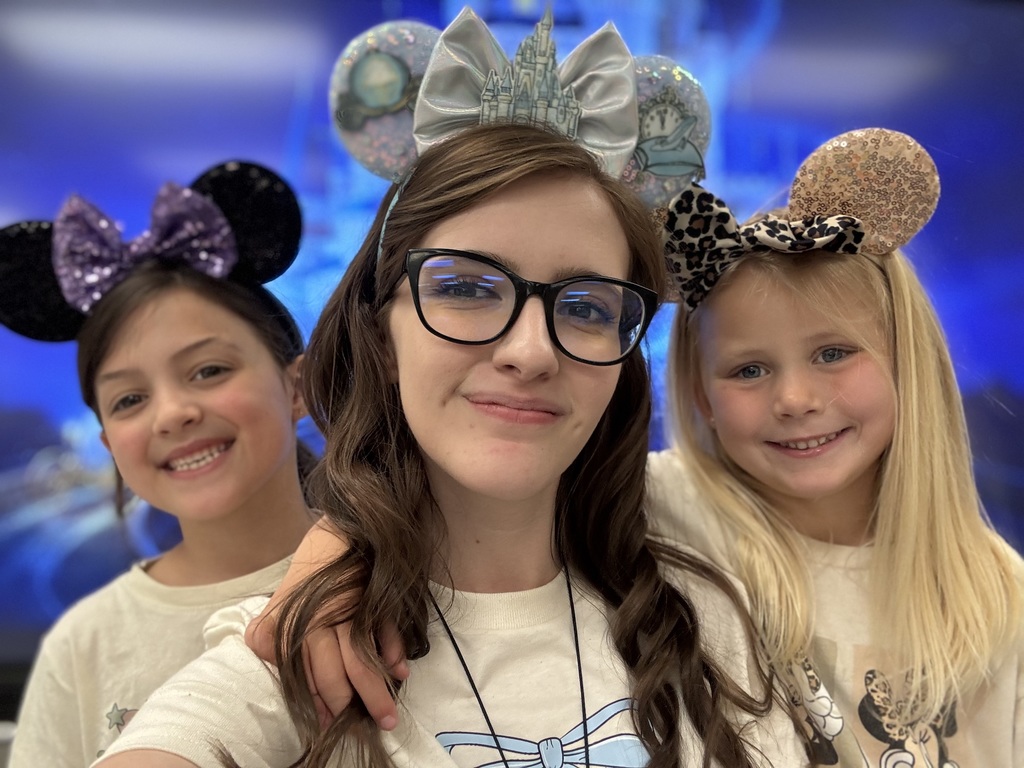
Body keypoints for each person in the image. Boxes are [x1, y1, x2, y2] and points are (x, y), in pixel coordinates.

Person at [249, 128, 1024, 767]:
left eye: (834, 354)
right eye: (748, 369)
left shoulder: (997, 591)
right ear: (698, 395)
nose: (794, 399)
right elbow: (478, 503)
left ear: (910, 362)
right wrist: (336, 551)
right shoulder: (675, 509)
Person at [91, 122, 806, 768]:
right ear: (381, 333)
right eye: (467, 287)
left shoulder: (701, 610)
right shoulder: (301, 648)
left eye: (588, 306)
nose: (530, 353)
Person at [0, 161, 318, 767]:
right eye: (129, 400)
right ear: (108, 440)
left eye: (209, 370)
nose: (170, 415)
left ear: (296, 386)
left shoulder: (396, 576)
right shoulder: (83, 646)